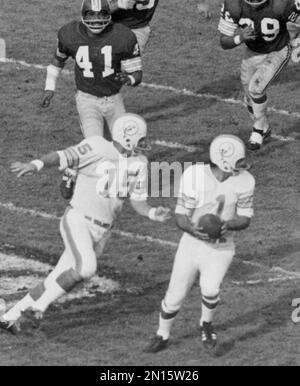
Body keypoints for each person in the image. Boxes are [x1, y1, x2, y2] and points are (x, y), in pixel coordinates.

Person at [0, 113, 170, 334]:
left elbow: (138, 201)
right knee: (87, 268)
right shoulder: (98, 147)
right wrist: (36, 164)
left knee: (54, 281)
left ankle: (8, 317)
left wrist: (154, 213)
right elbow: (62, 156)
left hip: (103, 232)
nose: (144, 144)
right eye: (140, 139)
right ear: (127, 138)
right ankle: (37, 308)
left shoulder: (140, 163)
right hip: (79, 220)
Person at [144, 134, 255, 353]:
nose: (242, 165)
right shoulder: (195, 175)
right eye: (238, 161)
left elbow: (245, 219)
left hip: (221, 246)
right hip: (192, 245)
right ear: (223, 160)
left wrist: (228, 225)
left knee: (211, 288)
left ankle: (206, 324)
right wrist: (192, 229)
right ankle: (162, 334)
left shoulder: (246, 181)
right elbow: (181, 216)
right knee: (175, 295)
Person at [41, 0, 143, 138]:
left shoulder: (123, 36)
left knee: (124, 146)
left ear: (109, 14)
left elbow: (137, 75)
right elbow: (58, 61)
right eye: (91, 15)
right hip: (87, 100)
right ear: (83, 15)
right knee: (95, 145)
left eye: (101, 15)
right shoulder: (70, 34)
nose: (96, 20)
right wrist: (49, 87)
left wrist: (129, 79)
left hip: (114, 100)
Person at [218, 0, 300, 150]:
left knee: (256, 88)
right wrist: (240, 38)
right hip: (252, 53)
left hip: (278, 50)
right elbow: (224, 41)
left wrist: (297, 40)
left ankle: (257, 131)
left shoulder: (279, 4)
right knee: (249, 99)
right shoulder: (234, 5)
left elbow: (297, 21)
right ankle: (265, 128)